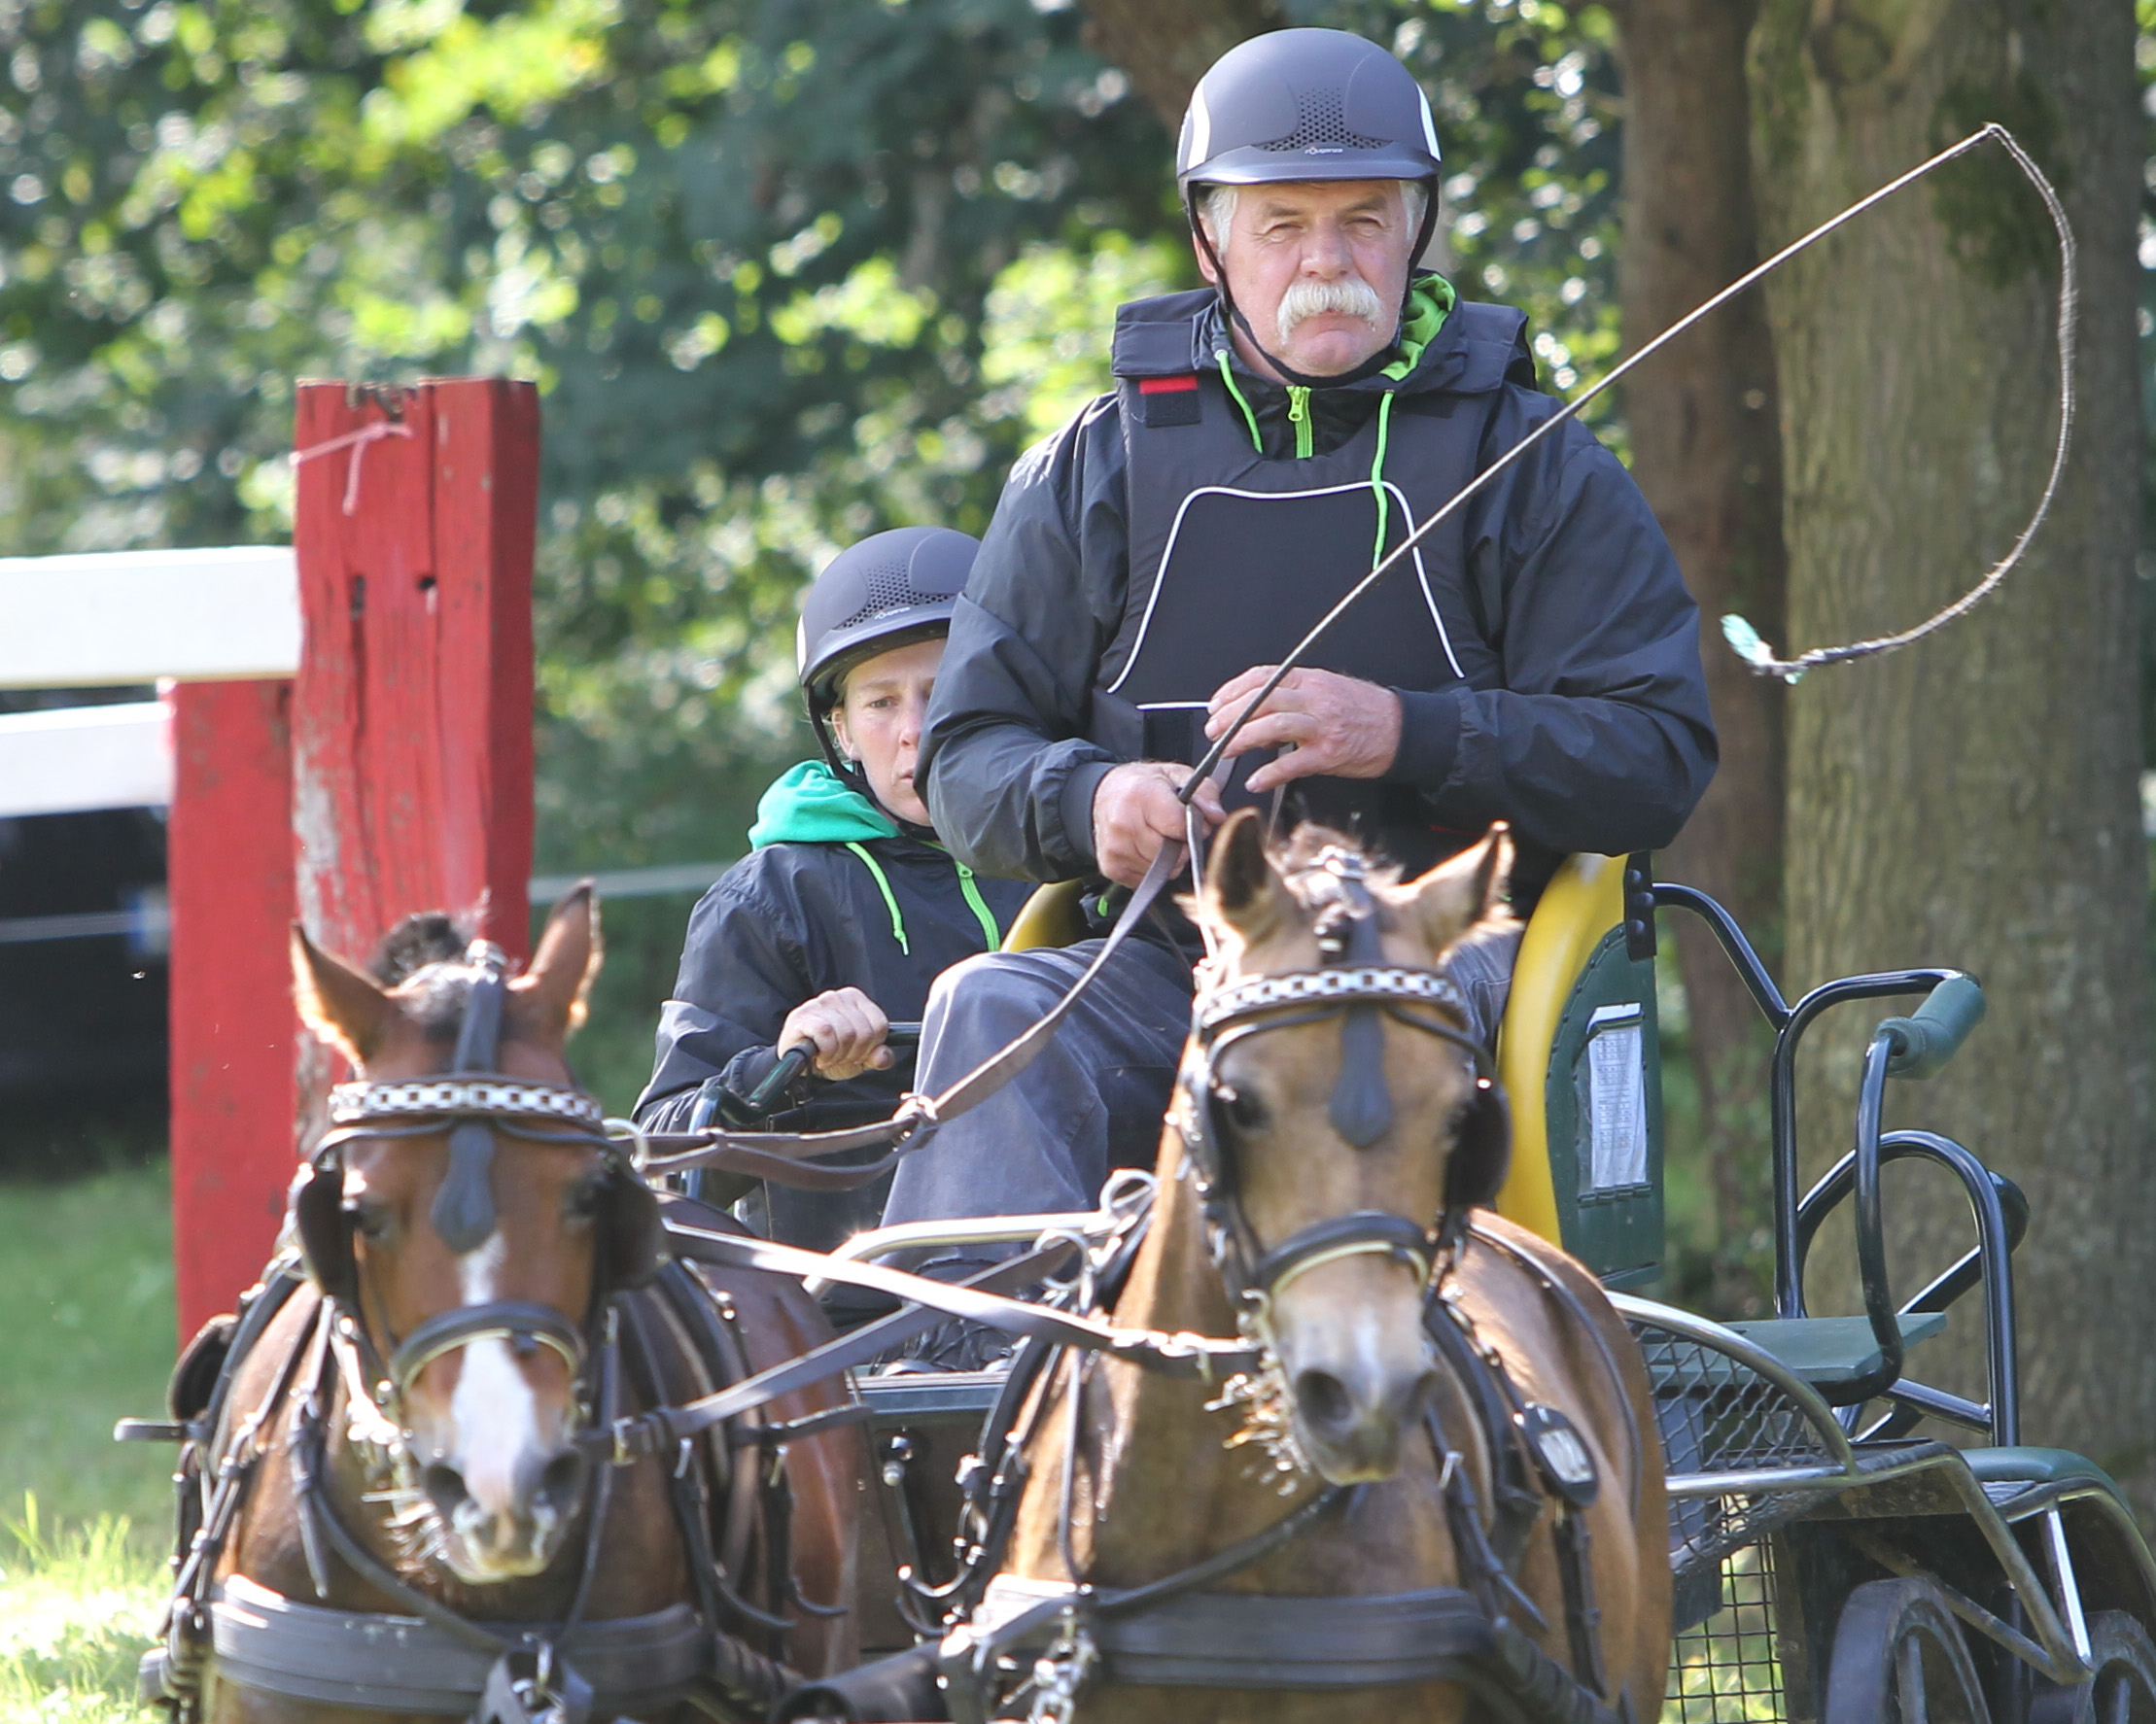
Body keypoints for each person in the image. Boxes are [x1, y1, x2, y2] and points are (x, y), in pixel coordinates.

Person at [880, 28, 1717, 1247]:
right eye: (1282, 225)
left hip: (1440, 971)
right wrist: (1090, 796)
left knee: (1333, 1033)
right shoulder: (1094, 467)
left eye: (1363, 221)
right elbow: (963, 755)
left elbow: (1655, 754)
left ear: (1417, 226)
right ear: (1210, 238)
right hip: (1169, 965)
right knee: (986, 1000)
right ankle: (978, 1394)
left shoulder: (1533, 462)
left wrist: (1406, 731)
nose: (1326, 262)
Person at [634, 526, 1031, 1254]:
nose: (915, 731)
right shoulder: (768, 899)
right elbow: (663, 1153)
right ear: (842, 731)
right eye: (881, 703)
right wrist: (785, 1067)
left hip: (1082, 1291)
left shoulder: (1085, 863)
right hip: (855, 1319)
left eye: (942, 693)